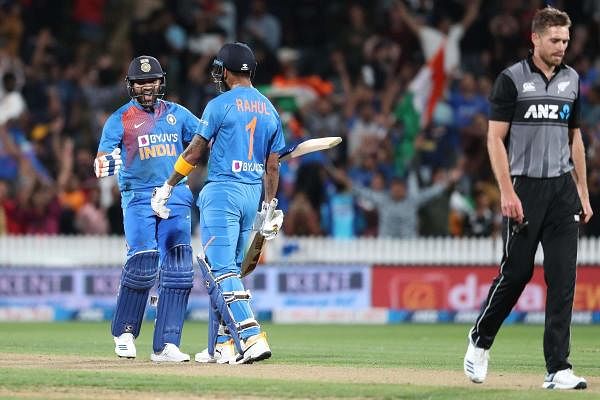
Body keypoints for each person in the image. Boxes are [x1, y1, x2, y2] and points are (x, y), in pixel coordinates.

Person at [463, 7, 593, 390]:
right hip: (524, 187)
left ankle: (558, 369)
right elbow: (494, 139)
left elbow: (576, 138)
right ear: (535, 38)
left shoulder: (572, 80)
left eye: (566, 41)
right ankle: (480, 340)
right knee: (517, 274)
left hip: (561, 190)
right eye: (555, 40)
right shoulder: (512, 80)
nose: (562, 47)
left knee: (563, 279)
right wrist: (506, 190)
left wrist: (582, 191)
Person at [151, 42, 285, 364]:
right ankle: (221, 346)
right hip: (252, 195)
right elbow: (273, 165)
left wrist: (168, 185)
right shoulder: (271, 109)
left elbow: (195, 152)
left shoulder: (219, 105)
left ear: (225, 71)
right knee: (229, 272)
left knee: (220, 269)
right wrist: (268, 207)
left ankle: (251, 337)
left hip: (222, 192)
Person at [95, 55, 202, 362]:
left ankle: (167, 344)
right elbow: (103, 159)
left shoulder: (178, 114)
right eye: (140, 81)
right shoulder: (120, 119)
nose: (147, 86)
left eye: (152, 80)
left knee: (180, 269)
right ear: (131, 85)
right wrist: (107, 162)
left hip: (176, 195)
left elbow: (203, 139)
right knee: (143, 261)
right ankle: (125, 331)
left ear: (161, 82)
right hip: (138, 197)